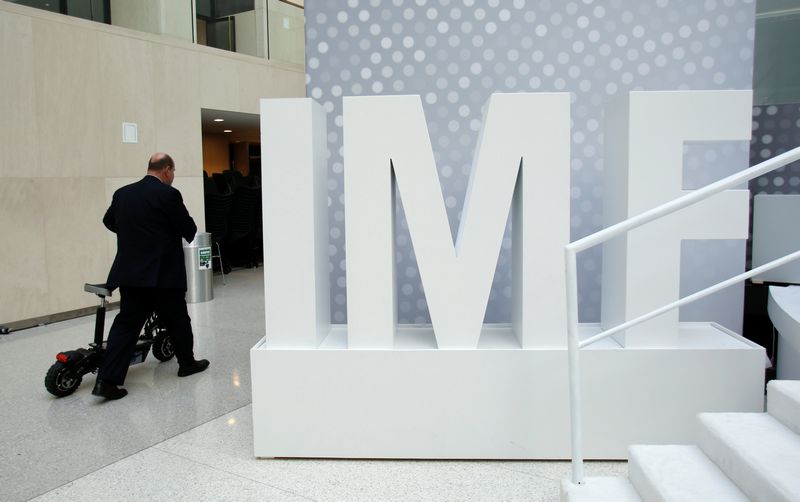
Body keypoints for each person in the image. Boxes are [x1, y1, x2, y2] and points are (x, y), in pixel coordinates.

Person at [92, 153, 209, 400]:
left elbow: (109, 221)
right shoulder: (168, 194)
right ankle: (186, 364)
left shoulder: (123, 193)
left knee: (126, 325)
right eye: (173, 172)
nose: (173, 177)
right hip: (163, 275)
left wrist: (135, 235)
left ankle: (106, 381)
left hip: (131, 273)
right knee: (178, 320)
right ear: (167, 169)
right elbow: (189, 230)